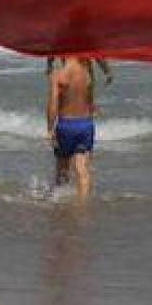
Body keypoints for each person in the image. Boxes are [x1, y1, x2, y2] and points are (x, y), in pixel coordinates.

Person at [47, 57, 96, 202]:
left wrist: (50, 128)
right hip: (86, 124)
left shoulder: (59, 75)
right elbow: (90, 96)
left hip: (66, 125)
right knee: (82, 168)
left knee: (62, 168)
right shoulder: (87, 71)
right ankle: (82, 204)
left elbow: (53, 104)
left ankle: (59, 201)